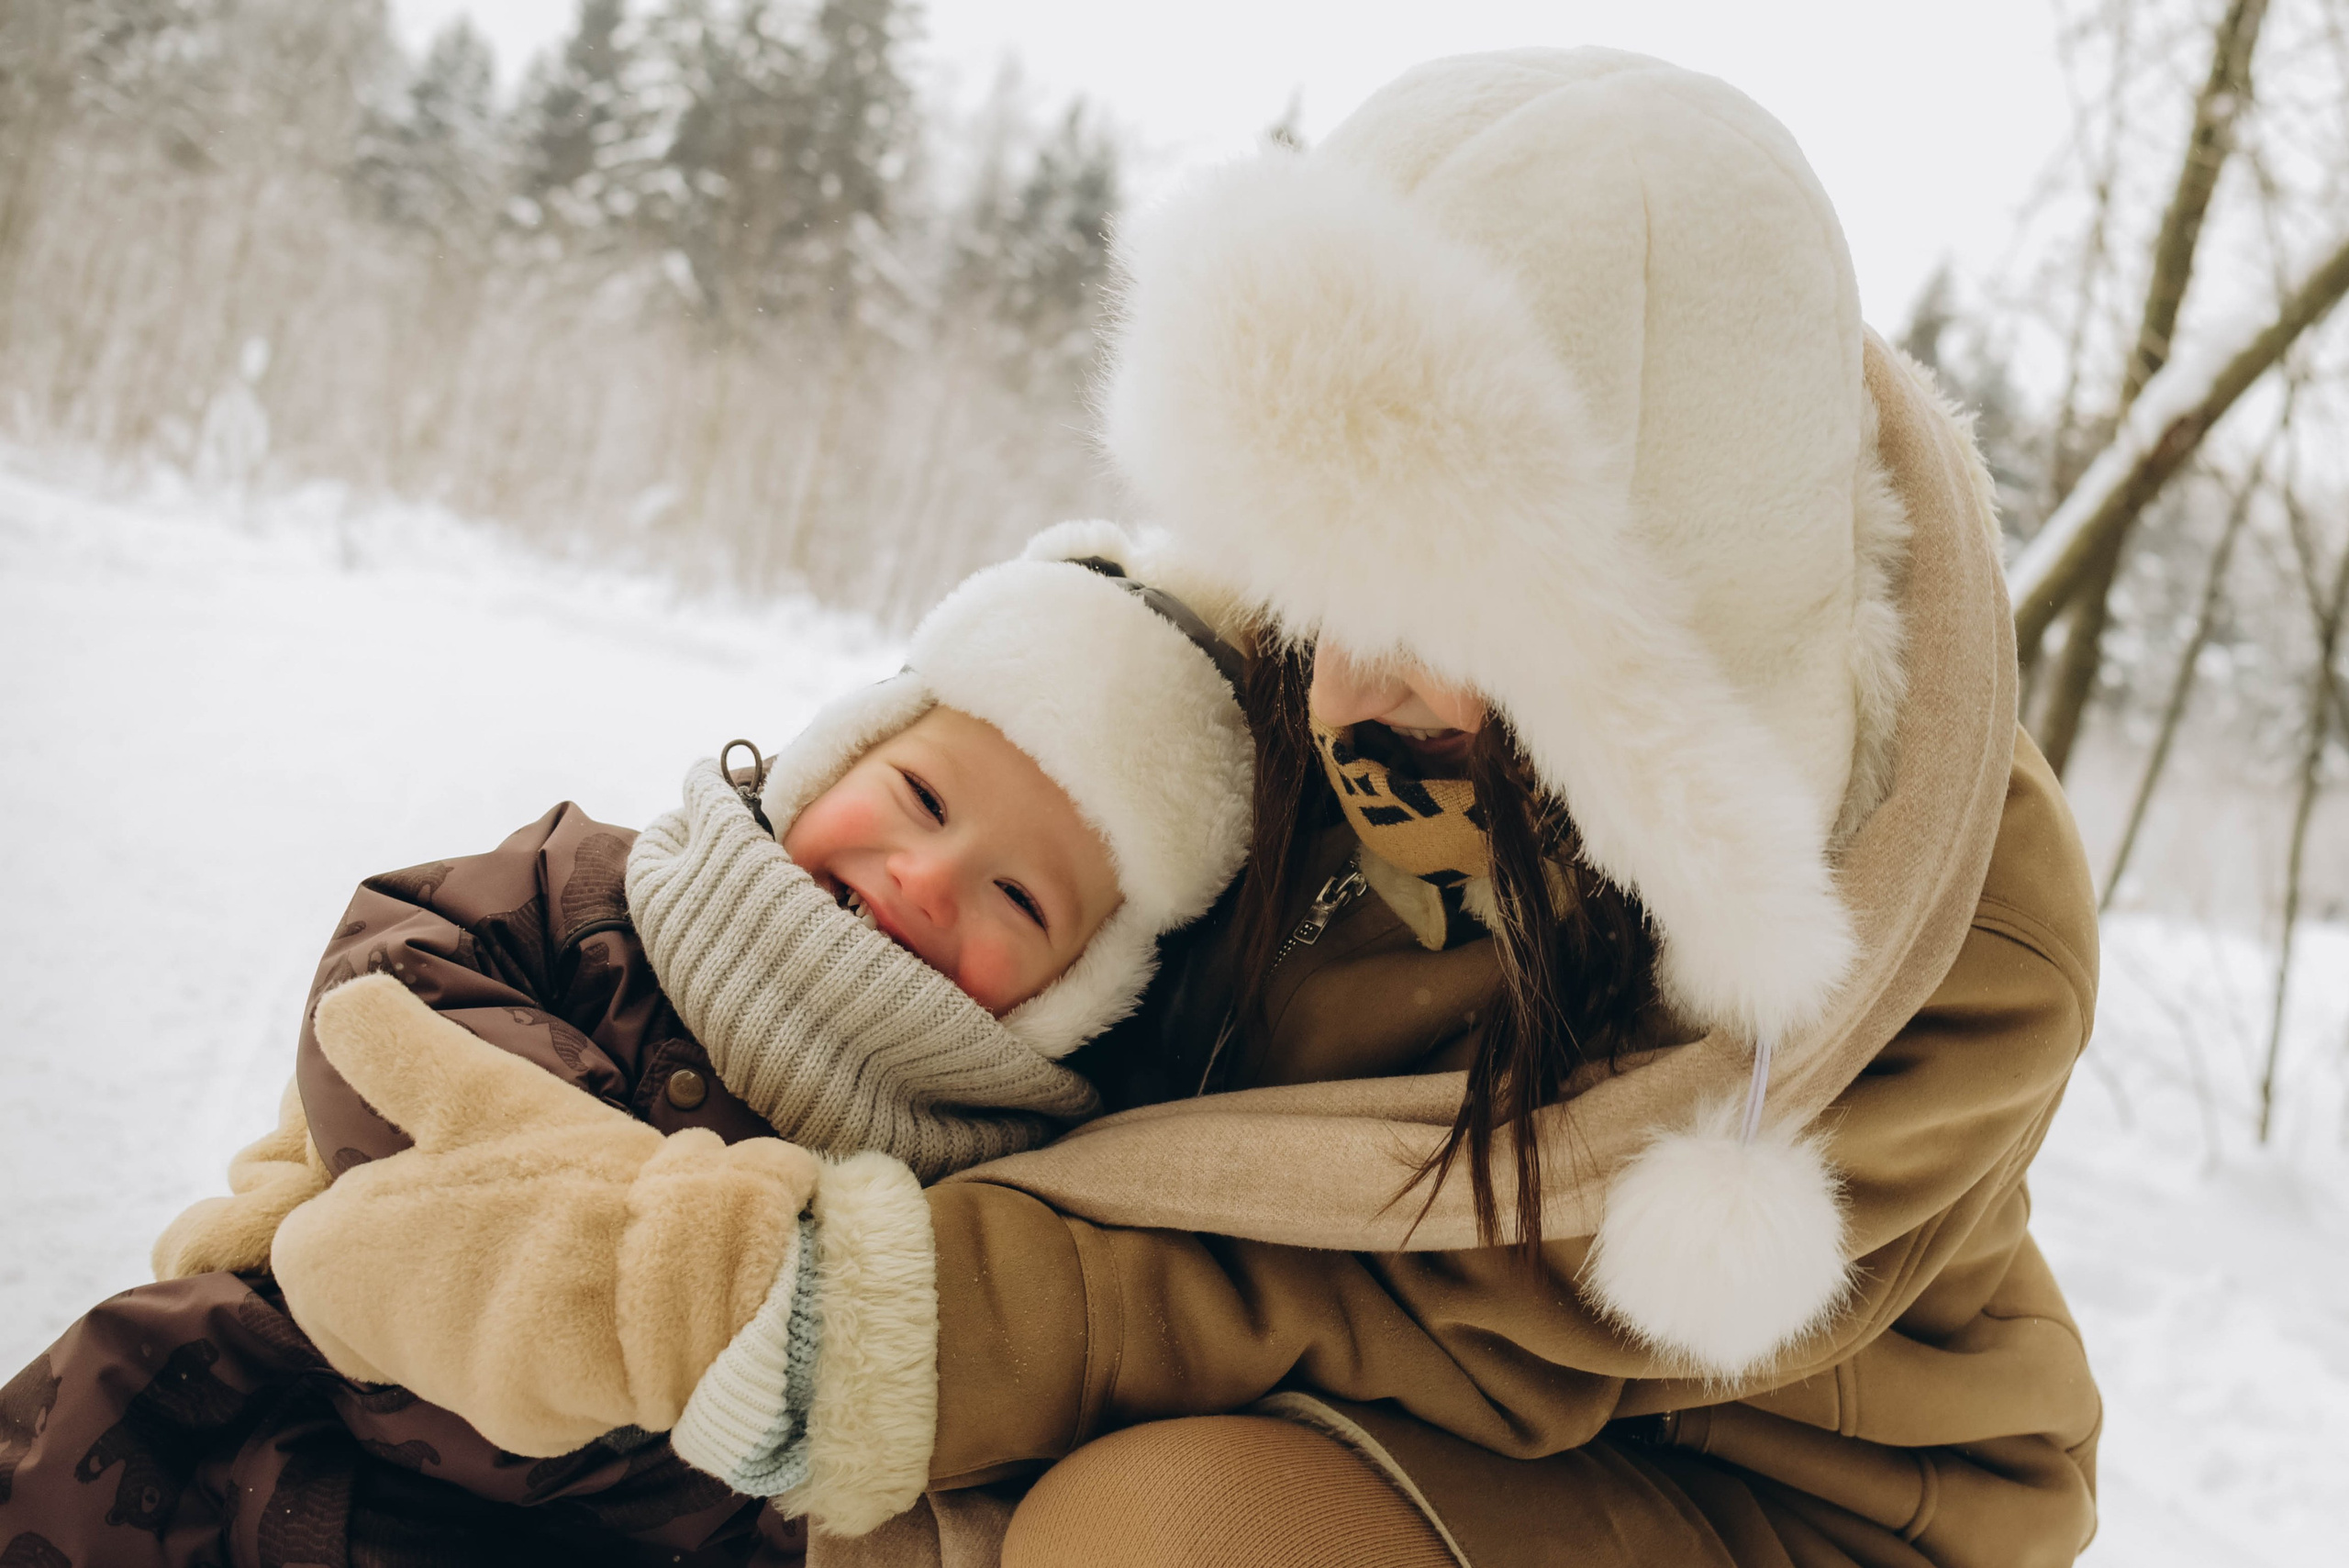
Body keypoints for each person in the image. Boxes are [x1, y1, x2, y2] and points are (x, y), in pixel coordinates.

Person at [178, 48, 2104, 1568]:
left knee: (1153, 1536)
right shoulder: (1293, 668)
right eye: (1313, 568)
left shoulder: (1919, 946)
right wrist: (565, 1096)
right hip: (1294, 1372)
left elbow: (1426, 1307)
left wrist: (809, 1314)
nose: (1343, 688)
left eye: (1448, 625)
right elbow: (891, 890)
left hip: (1731, 1494)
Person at [0, 527, 1254, 1565]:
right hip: (304, 1391)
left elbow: (880, 1427)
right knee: (118, 1395)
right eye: (923, 797)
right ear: (840, 750)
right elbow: (389, 985)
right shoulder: (605, 893)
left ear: (1080, 992)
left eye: (1021, 900)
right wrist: (564, 1177)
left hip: (583, 1541)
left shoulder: (972, 1180)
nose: (926, 878)